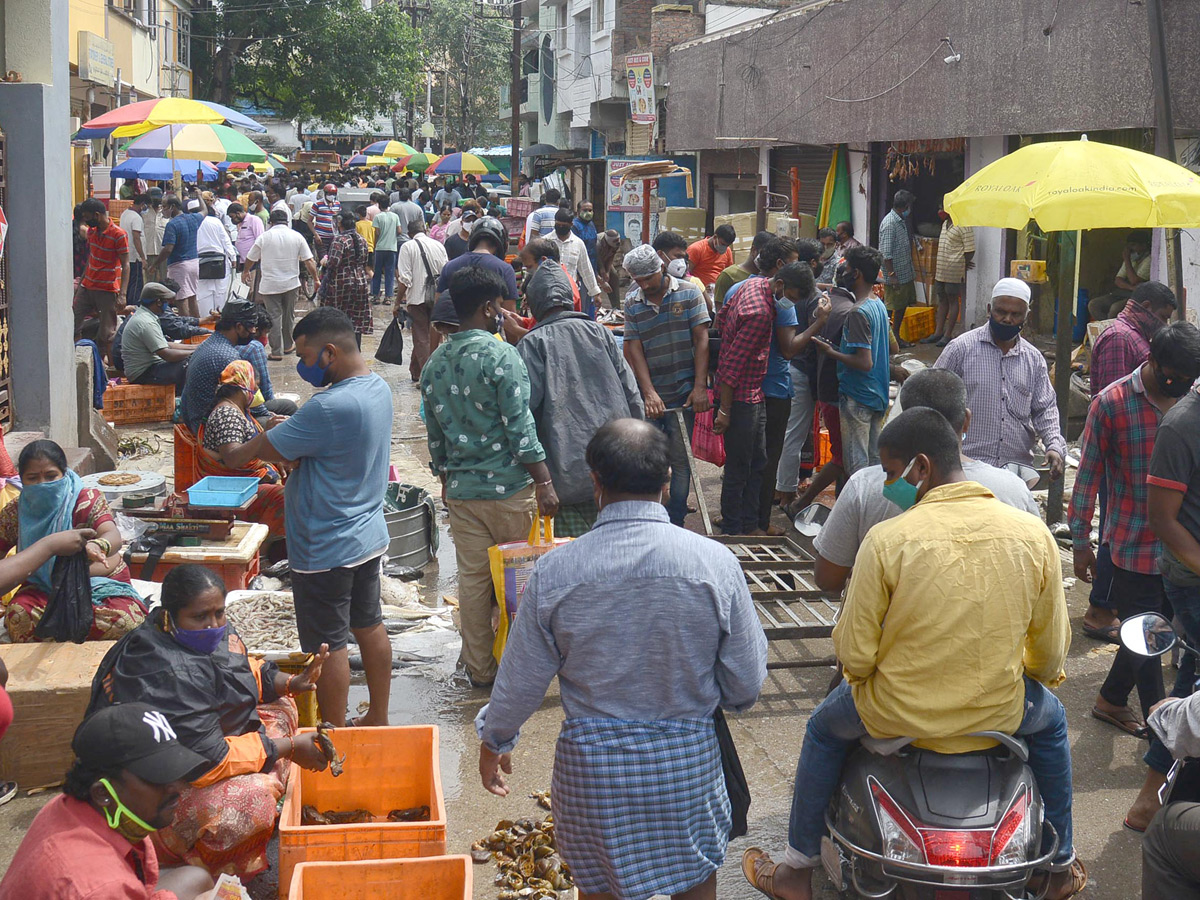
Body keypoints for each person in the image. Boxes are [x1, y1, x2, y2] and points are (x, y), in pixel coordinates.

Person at [742, 407, 1084, 900]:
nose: (887, 486)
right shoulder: (1033, 536)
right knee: (1052, 724)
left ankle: (796, 870)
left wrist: (877, 675)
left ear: (921, 467)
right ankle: (1059, 867)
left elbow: (855, 655)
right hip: (1000, 712)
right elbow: (1051, 655)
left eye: (889, 471)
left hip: (893, 712)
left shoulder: (888, 540)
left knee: (821, 730)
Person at [477, 418, 768, 900]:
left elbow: (519, 681)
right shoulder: (715, 564)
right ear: (668, 483)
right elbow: (746, 685)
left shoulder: (554, 572)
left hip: (593, 778)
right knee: (696, 885)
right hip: (687, 770)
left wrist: (494, 742)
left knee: (600, 888)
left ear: (595, 483)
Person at [88, 566, 330, 878]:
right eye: (200, 617)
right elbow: (206, 762)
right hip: (153, 791)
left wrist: (290, 682)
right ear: (168, 617)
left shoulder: (200, 636)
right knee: (249, 803)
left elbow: (238, 669)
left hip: (204, 743)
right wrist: (290, 748)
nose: (213, 625)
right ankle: (202, 871)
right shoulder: (160, 669)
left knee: (282, 706)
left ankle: (266, 780)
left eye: (219, 613)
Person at [222, 308, 394, 727]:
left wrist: (234, 453)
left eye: (305, 355)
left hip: (326, 545)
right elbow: (316, 445)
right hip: (367, 536)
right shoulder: (377, 389)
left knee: (327, 644)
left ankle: (331, 731)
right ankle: (378, 716)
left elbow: (265, 448)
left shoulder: (329, 407)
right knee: (368, 624)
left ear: (330, 352)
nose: (301, 365)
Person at [422, 266, 559, 688]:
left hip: (462, 494)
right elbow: (520, 430)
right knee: (521, 584)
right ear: (487, 308)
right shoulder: (503, 356)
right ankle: (522, 670)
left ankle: (480, 669)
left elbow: (436, 440)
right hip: (511, 491)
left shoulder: (435, 364)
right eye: (499, 306)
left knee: (474, 585)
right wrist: (545, 482)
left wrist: (447, 478)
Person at [1070, 324, 1200, 751]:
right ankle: (1163, 738)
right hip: (1132, 547)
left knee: (1146, 634)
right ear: (1155, 363)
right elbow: (1086, 476)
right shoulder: (1110, 404)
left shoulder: (1191, 405)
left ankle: (1109, 699)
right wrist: (1081, 541)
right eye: (1175, 374)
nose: (1181, 383)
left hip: (1182, 555)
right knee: (1149, 645)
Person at [813, 368, 1039, 593]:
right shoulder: (1014, 490)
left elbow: (828, 579)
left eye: (890, 474)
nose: (888, 482)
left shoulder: (865, 490)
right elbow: (1036, 578)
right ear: (966, 420)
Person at [0, 702, 215, 900]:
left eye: (175, 771)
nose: (178, 786)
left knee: (196, 878)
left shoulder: (67, 806)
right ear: (103, 792)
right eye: (158, 776)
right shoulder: (101, 887)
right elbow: (101, 888)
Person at [516, 261, 643, 537]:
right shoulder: (600, 333)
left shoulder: (532, 344)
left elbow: (523, 414)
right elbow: (633, 395)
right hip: (615, 470)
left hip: (564, 482)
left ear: (534, 303)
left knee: (574, 562)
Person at [1082, 281, 1177, 642]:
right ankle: (1101, 608)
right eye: (1163, 317)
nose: (1164, 324)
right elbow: (1110, 403)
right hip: (1120, 457)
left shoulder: (1137, 337)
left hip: (1138, 458)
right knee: (1115, 532)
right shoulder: (1120, 337)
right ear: (1147, 306)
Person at [0, 440, 146, 642]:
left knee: (125, 622)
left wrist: (97, 545)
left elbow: (112, 535)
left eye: (51, 476)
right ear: (22, 481)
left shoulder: (85, 500)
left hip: (97, 583)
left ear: (64, 473)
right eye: (33, 478)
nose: (43, 485)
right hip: (44, 588)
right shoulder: (16, 511)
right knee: (19, 618)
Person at [710, 238, 800, 535]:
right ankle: (736, 527)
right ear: (781, 282)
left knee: (757, 461)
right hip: (743, 398)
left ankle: (749, 524)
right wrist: (724, 410)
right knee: (741, 465)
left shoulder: (751, 285)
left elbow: (721, 321)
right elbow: (732, 366)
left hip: (755, 393)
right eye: (793, 297)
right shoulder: (761, 313)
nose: (791, 304)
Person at [934, 277, 1067, 475]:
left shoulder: (1033, 360)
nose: (1007, 319)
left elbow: (1044, 408)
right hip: (968, 468)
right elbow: (933, 397)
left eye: (1015, 314)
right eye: (1001, 312)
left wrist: (1054, 446)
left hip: (1016, 470)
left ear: (1026, 316)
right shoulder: (961, 349)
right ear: (989, 309)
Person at [621, 243, 711, 527]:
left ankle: (677, 520)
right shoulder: (633, 302)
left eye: (648, 278)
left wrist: (699, 387)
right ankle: (652, 520)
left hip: (684, 393)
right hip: (652, 394)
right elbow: (633, 347)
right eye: (639, 280)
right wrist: (648, 393)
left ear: (661, 268)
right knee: (649, 463)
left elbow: (701, 339)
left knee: (682, 462)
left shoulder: (689, 292)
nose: (645, 285)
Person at [756, 262, 832, 535]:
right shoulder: (807, 303)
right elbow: (793, 347)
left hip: (795, 372)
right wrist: (820, 321)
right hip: (798, 372)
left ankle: (781, 488)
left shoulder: (803, 298)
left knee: (790, 435)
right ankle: (784, 491)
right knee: (793, 436)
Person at [812, 245, 891, 475]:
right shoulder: (877, 304)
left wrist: (831, 351)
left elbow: (864, 362)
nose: (843, 271)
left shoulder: (858, 312)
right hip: (877, 394)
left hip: (858, 397)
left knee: (857, 469)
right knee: (874, 466)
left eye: (846, 267)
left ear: (855, 273)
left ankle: (859, 510)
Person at [196, 361, 287, 549]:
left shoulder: (239, 411)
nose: (257, 393)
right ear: (244, 387)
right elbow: (233, 458)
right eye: (255, 388)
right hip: (234, 487)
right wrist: (264, 435)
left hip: (248, 480)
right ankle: (265, 548)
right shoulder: (227, 413)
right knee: (285, 496)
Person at [179, 299, 264, 433]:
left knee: (282, 406)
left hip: (194, 419)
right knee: (284, 415)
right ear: (239, 327)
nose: (253, 331)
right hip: (210, 429)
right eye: (251, 327)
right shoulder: (228, 357)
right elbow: (254, 407)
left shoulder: (211, 343)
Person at [244, 208, 316, 360]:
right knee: (288, 316)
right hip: (291, 284)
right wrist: (316, 279)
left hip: (270, 285)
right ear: (287, 221)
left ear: (271, 222)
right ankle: (289, 345)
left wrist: (245, 271)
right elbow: (309, 260)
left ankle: (276, 351)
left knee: (274, 317)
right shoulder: (297, 236)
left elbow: (251, 257)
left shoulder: (264, 237)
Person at [74, 198, 129, 363]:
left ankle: (105, 366)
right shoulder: (91, 232)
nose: (86, 221)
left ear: (97, 215)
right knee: (74, 323)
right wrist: (80, 285)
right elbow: (91, 259)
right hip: (87, 286)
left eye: (87, 217)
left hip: (106, 290)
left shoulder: (119, 234)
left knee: (106, 334)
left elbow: (126, 265)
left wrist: (122, 294)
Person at [119, 282, 198, 394]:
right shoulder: (146, 322)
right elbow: (167, 354)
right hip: (143, 374)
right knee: (189, 364)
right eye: (166, 301)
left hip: (151, 367)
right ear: (158, 302)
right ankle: (181, 398)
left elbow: (167, 344)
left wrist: (196, 348)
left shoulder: (146, 315)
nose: (168, 305)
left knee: (192, 357)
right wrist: (195, 353)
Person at [396, 216, 449, 382]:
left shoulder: (407, 247)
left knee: (421, 337)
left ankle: (429, 376)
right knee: (433, 336)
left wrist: (397, 302)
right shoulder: (438, 245)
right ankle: (416, 371)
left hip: (417, 298)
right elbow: (446, 270)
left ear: (410, 233)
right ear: (425, 230)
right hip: (438, 297)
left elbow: (405, 278)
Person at [436, 216, 521, 311]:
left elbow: (438, 308)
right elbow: (510, 315)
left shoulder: (449, 266)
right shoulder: (505, 269)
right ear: (503, 243)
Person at [318, 211, 373, 347]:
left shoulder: (339, 240)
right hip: (360, 281)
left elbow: (333, 263)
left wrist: (324, 261)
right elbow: (365, 261)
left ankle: (339, 347)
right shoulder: (362, 239)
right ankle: (355, 349)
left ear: (340, 224)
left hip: (341, 283)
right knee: (356, 319)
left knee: (337, 317)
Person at [923, 207, 975, 346]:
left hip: (954, 270)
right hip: (941, 269)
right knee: (942, 299)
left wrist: (963, 264)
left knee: (952, 299)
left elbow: (970, 249)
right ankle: (938, 333)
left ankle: (947, 335)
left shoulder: (964, 224)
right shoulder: (945, 223)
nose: (941, 210)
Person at [238, 307, 298, 424]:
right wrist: (268, 412)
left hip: (238, 400)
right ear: (256, 330)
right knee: (289, 407)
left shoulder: (233, 341)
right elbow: (265, 388)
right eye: (265, 333)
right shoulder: (255, 347)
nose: (265, 338)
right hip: (246, 405)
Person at [877, 189, 917, 347]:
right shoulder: (890, 223)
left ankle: (896, 337)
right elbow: (886, 254)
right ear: (905, 206)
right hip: (896, 275)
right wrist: (892, 276)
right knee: (892, 308)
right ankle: (889, 340)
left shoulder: (900, 220)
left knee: (901, 307)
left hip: (905, 272)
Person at [1089, 229, 1153, 322]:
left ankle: (1114, 332)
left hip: (1139, 296)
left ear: (1143, 246)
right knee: (1094, 304)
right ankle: (1107, 329)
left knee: (1115, 308)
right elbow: (1118, 280)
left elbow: (1134, 280)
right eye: (1129, 245)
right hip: (1124, 293)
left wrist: (1127, 260)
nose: (1131, 249)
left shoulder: (1148, 259)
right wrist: (1131, 288)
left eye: (1134, 245)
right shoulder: (1131, 258)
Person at [156, 197, 205, 320]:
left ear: (173, 207)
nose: (163, 210)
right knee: (192, 296)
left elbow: (168, 249)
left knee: (181, 299)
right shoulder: (193, 218)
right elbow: (204, 210)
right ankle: (197, 329)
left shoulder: (172, 225)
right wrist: (199, 195)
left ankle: (186, 331)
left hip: (179, 265)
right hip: (194, 263)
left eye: (164, 206)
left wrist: (154, 264)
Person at [551, 209, 603, 317]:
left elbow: (586, 270)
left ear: (571, 224)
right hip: (549, 294)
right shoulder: (546, 242)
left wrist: (595, 293)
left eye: (563, 225)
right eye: (558, 224)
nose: (560, 227)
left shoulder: (578, 244)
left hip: (571, 294)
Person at [195, 203, 237, 318]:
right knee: (220, 295)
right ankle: (220, 323)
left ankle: (207, 326)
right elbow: (226, 241)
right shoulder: (215, 222)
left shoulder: (193, 222)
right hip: (220, 263)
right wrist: (233, 257)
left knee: (203, 296)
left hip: (201, 263)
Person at [714, 230, 772, 311]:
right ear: (753, 250)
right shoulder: (729, 275)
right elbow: (720, 312)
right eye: (764, 254)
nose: (767, 259)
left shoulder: (770, 278)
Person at [687, 224, 736, 298]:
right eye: (722, 244)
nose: (724, 248)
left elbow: (729, 274)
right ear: (715, 237)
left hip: (719, 293)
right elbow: (686, 274)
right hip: (699, 294)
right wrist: (701, 288)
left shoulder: (727, 251)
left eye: (727, 245)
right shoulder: (696, 249)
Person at [370, 195, 401, 304]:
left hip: (380, 248)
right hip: (392, 248)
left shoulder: (378, 217)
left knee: (377, 272)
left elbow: (377, 233)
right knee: (390, 272)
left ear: (379, 205)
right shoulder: (395, 216)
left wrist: (375, 245)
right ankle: (388, 297)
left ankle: (376, 296)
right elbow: (399, 231)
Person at [120, 194, 149, 308]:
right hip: (135, 257)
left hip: (127, 256)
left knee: (129, 283)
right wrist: (142, 257)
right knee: (136, 285)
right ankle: (133, 308)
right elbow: (136, 237)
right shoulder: (136, 218)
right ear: (142, 205)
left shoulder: (125, 214)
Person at [142, 189, 166, 282]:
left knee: (165, 279)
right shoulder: (144, 214)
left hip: (163, 252)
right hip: (149, 251)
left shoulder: (165, 213)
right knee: (150, 280)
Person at [595, 228, 623, 310]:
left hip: (605, 259)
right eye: (615, 241)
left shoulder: (617, 243)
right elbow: (598, 261)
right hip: (593, 261)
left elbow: (611, 257)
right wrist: (603, 275)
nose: (617, 242)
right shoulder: (597, 243)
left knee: (614, 277)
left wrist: (607, 272)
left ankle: (616, 308)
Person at [309, 183, 340, 251]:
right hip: (321, 238)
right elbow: (309, 221)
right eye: (330, 194)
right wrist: (316, 235)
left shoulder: (337, 204)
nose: (332, 196)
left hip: (334, 238)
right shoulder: (317, 204)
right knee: (323, 259)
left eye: (333, 194)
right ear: (325, 194)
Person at [572, 200, 598, 272]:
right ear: (578, 211)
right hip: (580, 265)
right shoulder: (574, 226)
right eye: (585, 210)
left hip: (592, 263)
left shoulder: (591, 224)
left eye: (590, 210)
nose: (588, 213)